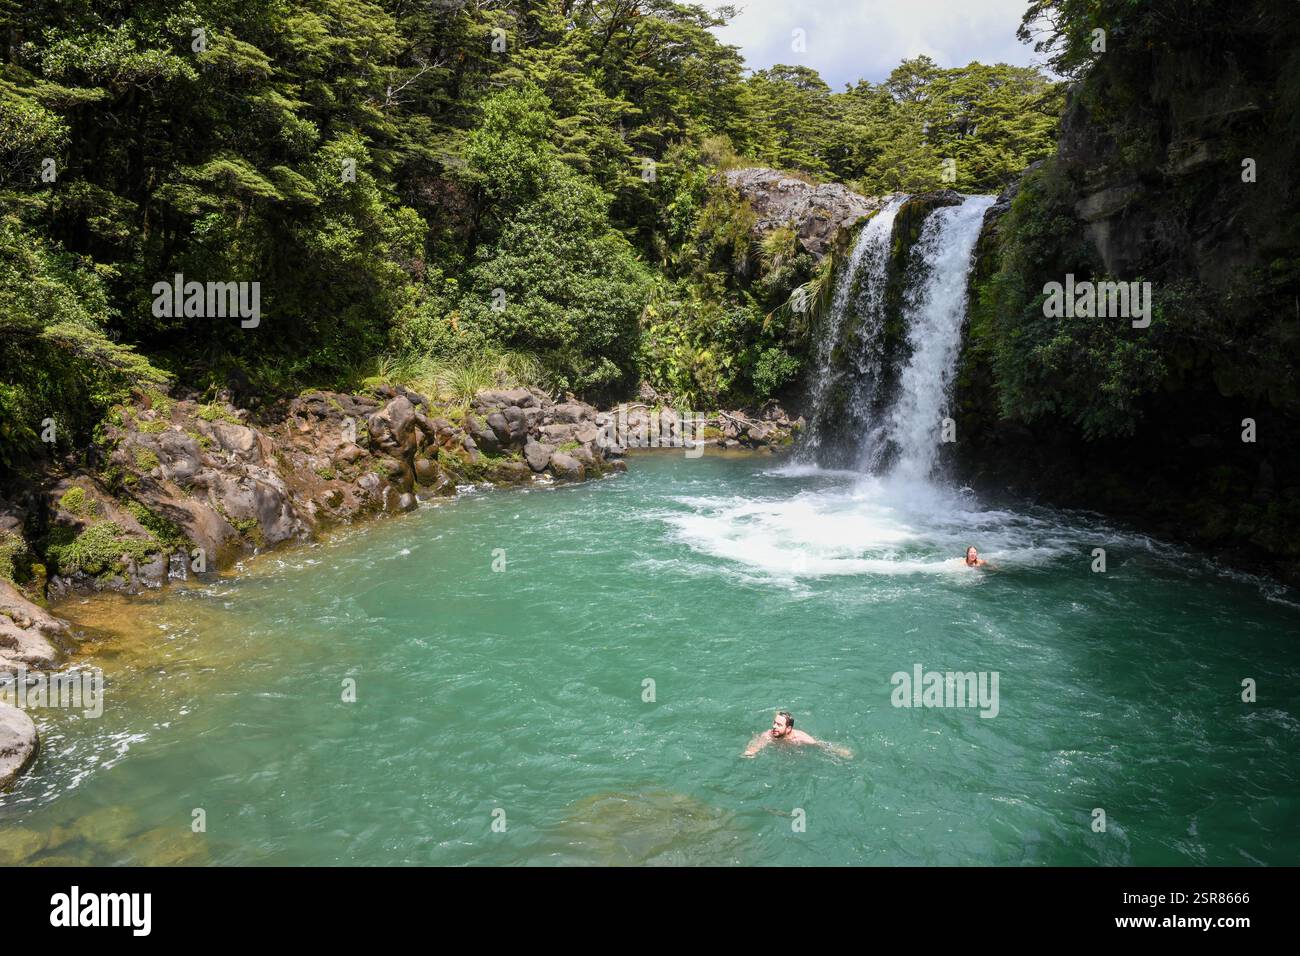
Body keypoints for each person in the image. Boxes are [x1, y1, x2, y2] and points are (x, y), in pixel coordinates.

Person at [743, 710, 851, 758]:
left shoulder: (799, 736)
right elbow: (757, 744)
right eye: (774, 723)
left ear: (788, 728)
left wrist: (840, 751)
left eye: (779, 725)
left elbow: (820, 744)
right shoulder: (769, 734)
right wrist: (750, 752)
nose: (774, 726)